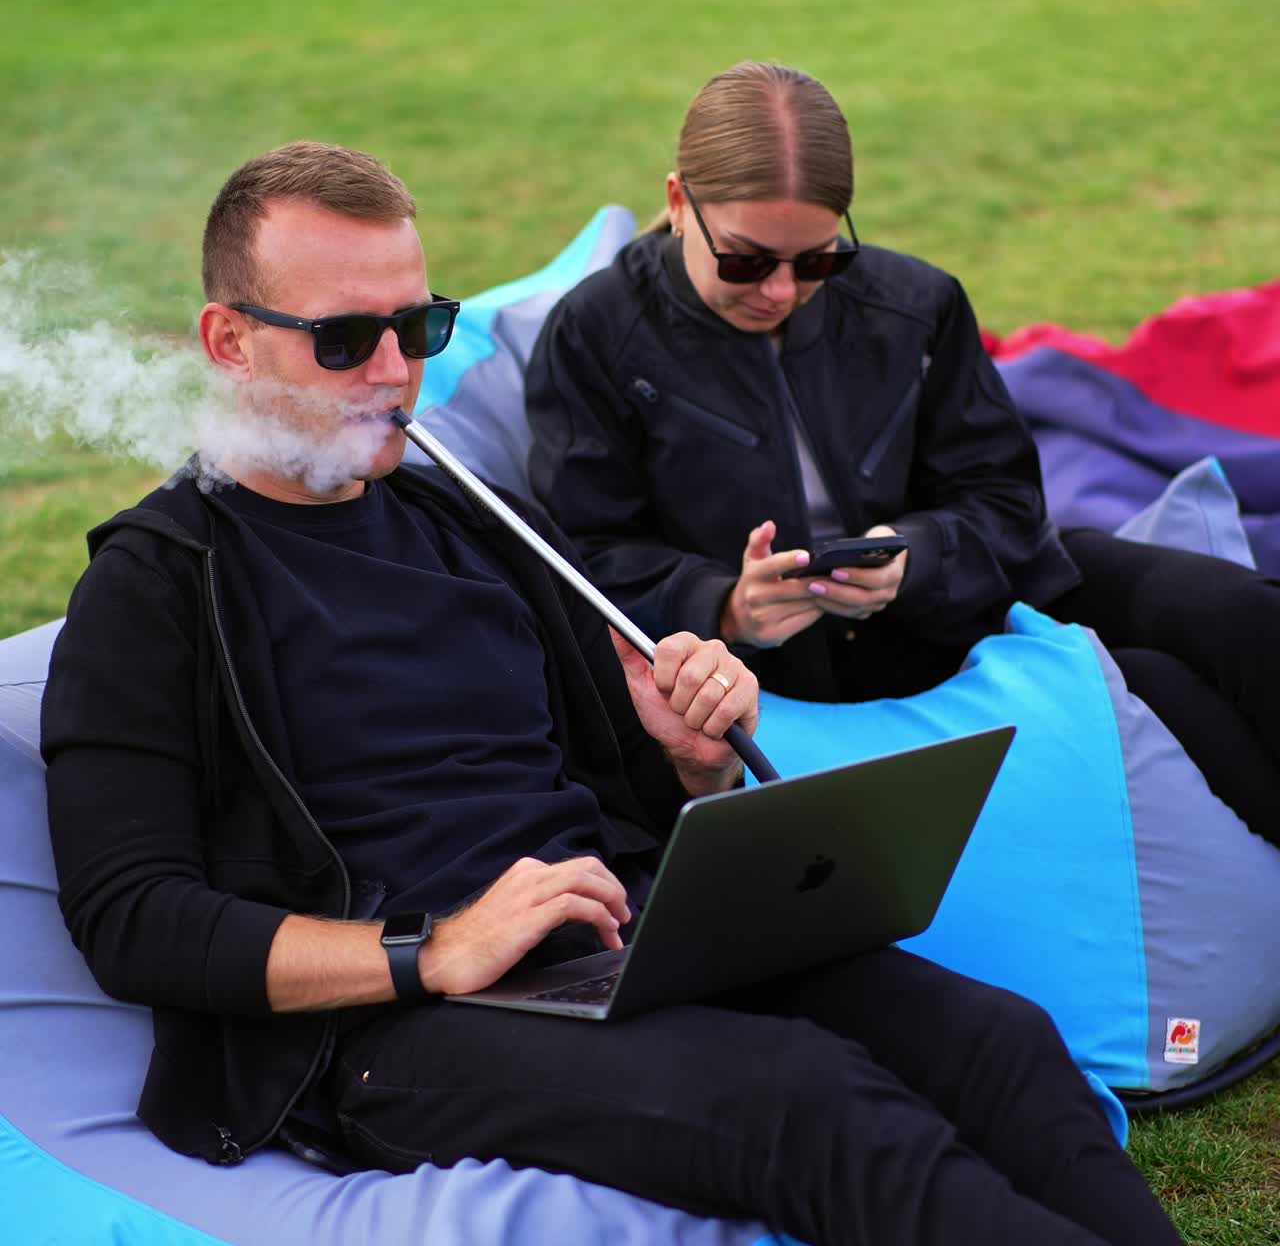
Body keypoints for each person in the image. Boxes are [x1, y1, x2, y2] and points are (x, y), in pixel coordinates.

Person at [41, 141, 1185, 1246]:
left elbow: (612, 789)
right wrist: (426, 951)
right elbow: (132, 917)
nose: (395, 371)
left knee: (996, 1037)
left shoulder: (470, 519)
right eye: (345, 338)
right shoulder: (156, 586)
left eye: (418, 325)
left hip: (614, 936)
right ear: (229, 340)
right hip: (401, 1024)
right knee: (803, 1100)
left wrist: (687, 756)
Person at [525, 60, 1280, 845]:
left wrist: (909, 554)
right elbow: (581, 560)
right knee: (1165, 696)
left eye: (817, 260)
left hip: (963, 584)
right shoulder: (597, 334)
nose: (780, 291)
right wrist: (726, 605)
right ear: (680, 203)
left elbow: (1009, 502)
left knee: (1243, 613)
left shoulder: (911, 302)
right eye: (746, 261)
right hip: (799, 667)